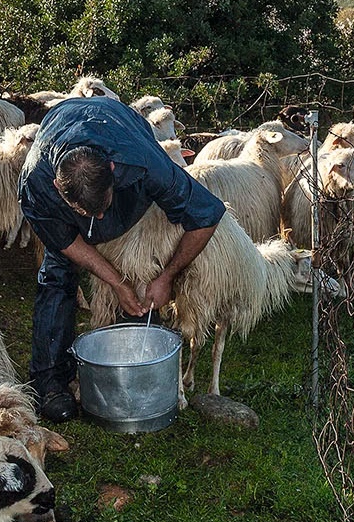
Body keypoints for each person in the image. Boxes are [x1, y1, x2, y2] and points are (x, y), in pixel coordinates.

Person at [18, 95, 225, 422]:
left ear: (112, 170)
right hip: (66, 150)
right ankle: (50, 379)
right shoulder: (37, 181)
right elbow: (64, 240)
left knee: (141, 254)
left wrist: (167, 275)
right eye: (87, 213)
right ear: (59, 187)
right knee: (57, 275)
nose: (97, 219)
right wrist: (116, 281)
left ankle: (139, 336)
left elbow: (207, 215)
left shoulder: (145, 163)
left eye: (102, 207)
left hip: (125, 149)